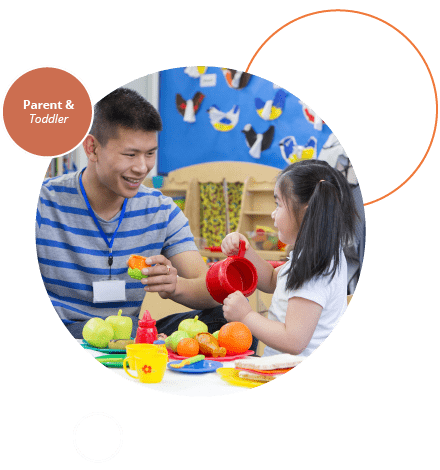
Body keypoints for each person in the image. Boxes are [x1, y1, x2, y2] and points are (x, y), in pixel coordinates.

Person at [36, 88, 247, 347]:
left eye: (150, 154)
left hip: (133, 332)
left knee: (234, 320)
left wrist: (175, 286)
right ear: (92, 149)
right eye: (130, 154)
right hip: (67, 329)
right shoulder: (43, 202)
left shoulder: (162, 211)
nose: (142, 167)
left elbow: (210, 290)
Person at [221, 160, 359, 358]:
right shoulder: (316, 255)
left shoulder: (315, 266)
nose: (273, 213)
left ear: (306, 212)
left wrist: (246, 315)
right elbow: (271, 280)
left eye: (278, 204)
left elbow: (294, 341)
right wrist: (245, 251)